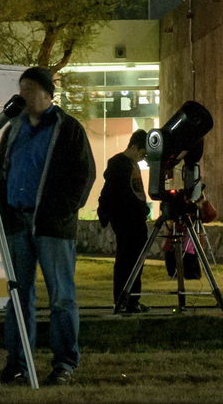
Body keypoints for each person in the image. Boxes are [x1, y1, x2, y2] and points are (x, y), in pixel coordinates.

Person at [0, 66, 95, 386]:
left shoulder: (67, 128)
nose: (23, 94)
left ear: (48, 94)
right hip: (17, 222)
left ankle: (65, 362)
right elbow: (1, 170)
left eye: (30, 89)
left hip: (52, 226)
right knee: (18, 296)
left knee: (61, 297)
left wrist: (63, 211)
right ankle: (18, 362)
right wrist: (2, 210)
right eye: (21, 88)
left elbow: (83, 174)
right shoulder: (13, 128)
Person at [99, 129, 151, 314]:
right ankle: (123, 301)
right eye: (143, 153)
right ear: (135, 147)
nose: (143, 158)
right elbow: (113, 194)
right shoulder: (119, 165)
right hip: (127, 221)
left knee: (136, 262)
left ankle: (133, 301)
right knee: (126, 262)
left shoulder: (131, 164)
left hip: (136, 219)